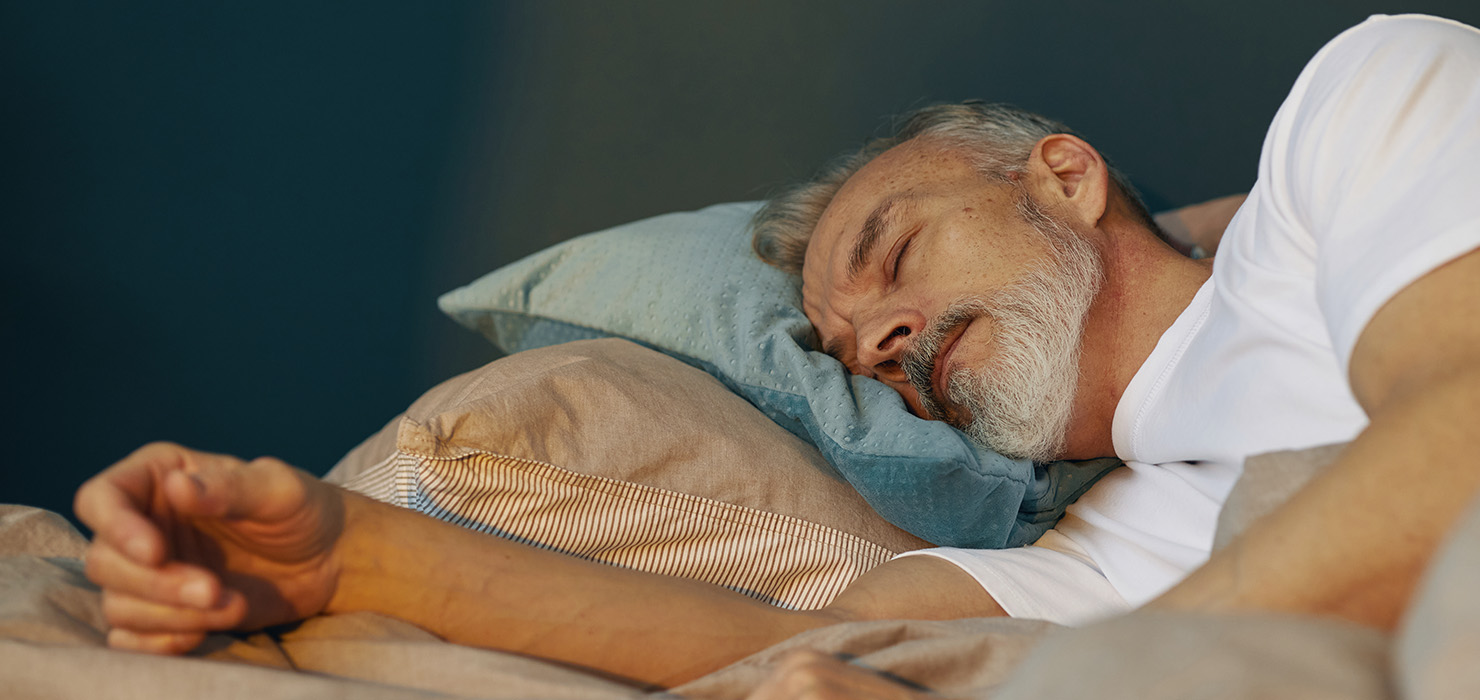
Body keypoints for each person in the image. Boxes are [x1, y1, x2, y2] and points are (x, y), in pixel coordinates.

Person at [75, 14, 1479, 698]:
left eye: (891, 252)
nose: (872, 340)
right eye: (844, 349)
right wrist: (350, 559)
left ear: (1062, 175)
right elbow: (791, 656)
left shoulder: (1355, 118)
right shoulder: (1100, 545)